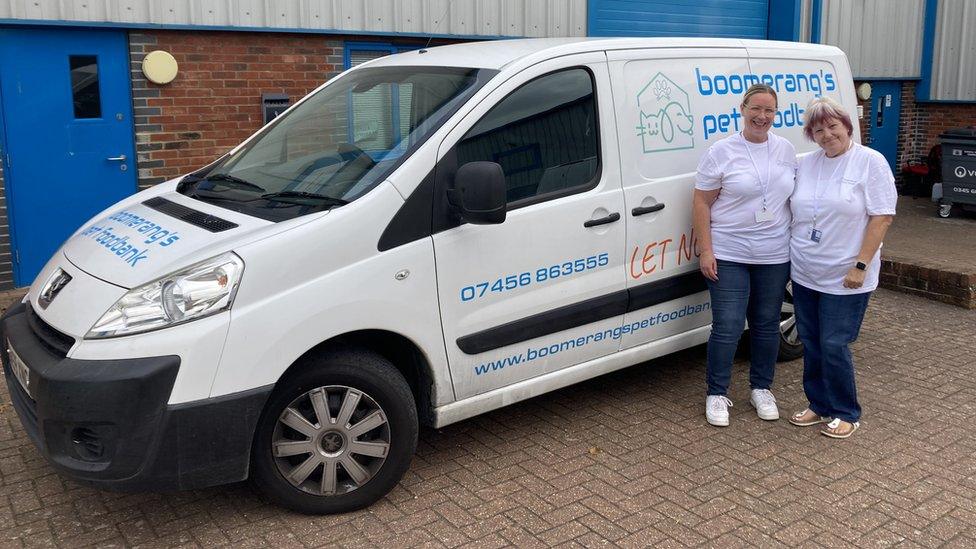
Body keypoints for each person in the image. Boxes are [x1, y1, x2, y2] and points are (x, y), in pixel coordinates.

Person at [787, 96, 896, 439]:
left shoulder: (870, 162)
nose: (826, 134)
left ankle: (846, 411)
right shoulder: (806, 163)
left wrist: (860, 265)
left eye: (832, 126)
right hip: (806, 271)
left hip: (847, 275)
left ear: (847, 126)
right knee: (812, 341)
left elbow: (882, 217)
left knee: (834, 344)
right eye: (818, 130)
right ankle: (818, 405)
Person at [693, 84, 796, 427]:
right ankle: (717, 392)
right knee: (729, 325)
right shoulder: (722, 151)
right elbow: (702, 202)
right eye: (756, 109)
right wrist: (706, 250)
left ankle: (761, 388)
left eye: (769, 111)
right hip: (730, 251)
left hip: (774, 253)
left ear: (775, 114)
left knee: (767, 325)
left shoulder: (785, 150)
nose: (762, 116)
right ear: (742, 108)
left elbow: (792, 200)